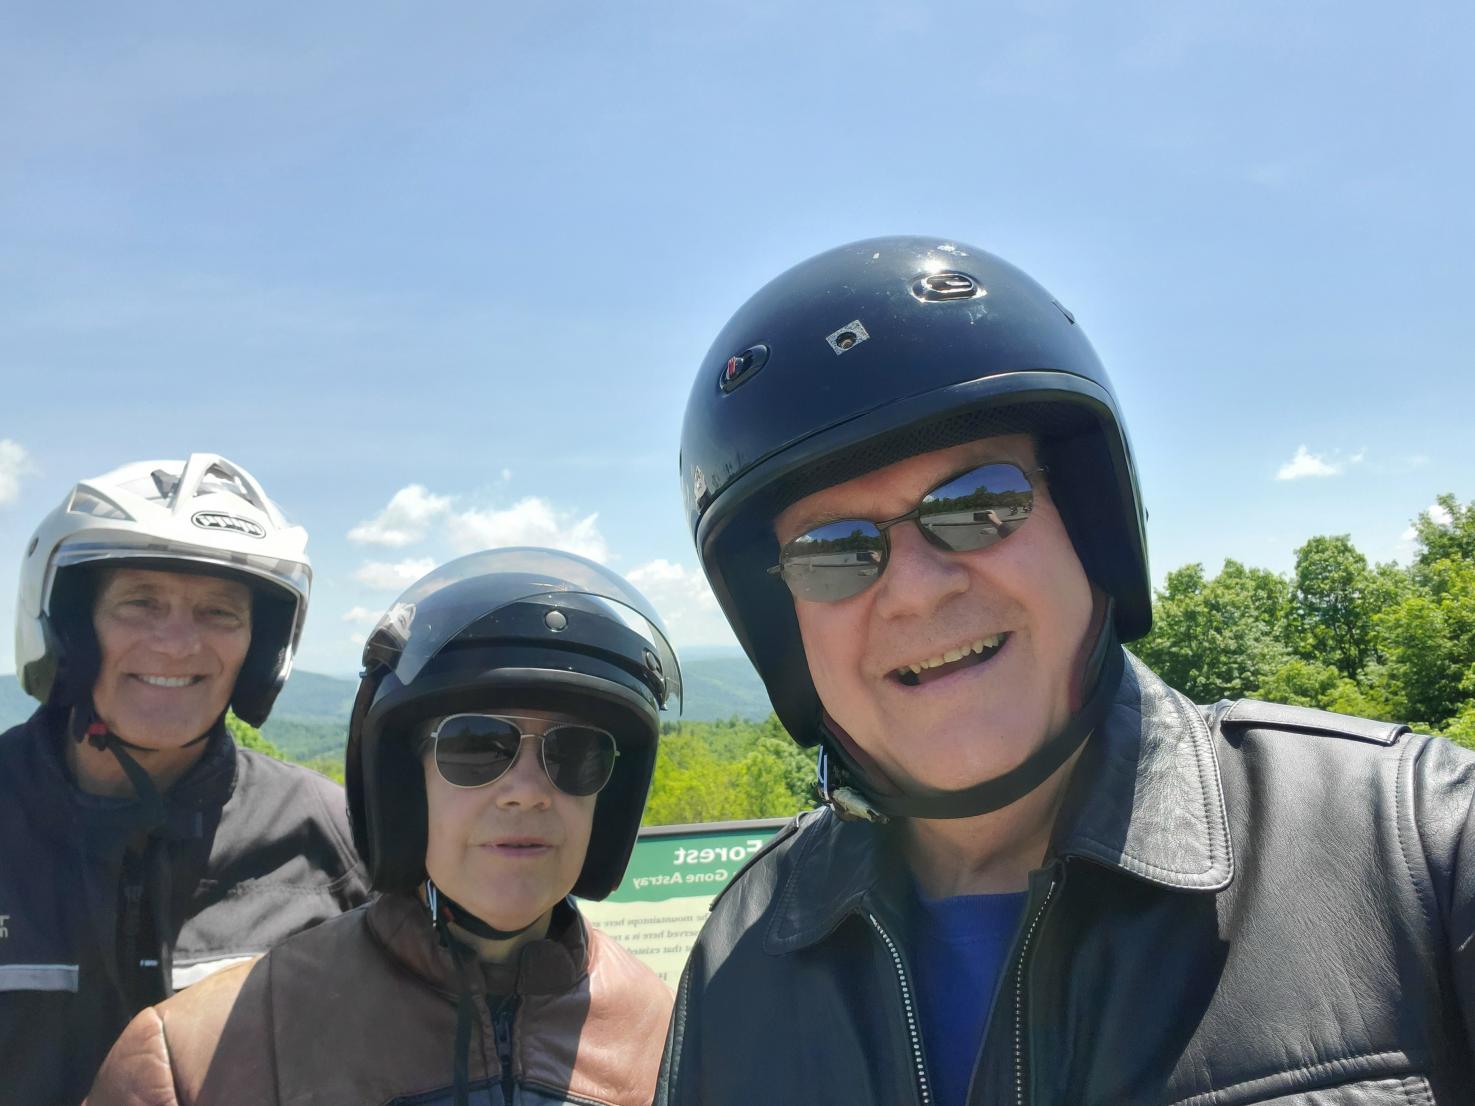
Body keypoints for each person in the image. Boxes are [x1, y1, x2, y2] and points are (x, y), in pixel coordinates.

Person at [658, 237, 1475, 1105]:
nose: (916, 590)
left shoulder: (1417, 844)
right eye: (831, 551)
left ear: (1089, 525)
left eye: (977, 502)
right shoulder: (739, 957)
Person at [88, 548, 678, 1106]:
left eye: (574, 754)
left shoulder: (668, 1034)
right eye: (475, 746)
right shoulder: (197, 1060)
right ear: (404, 787)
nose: (528, 792)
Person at [1, 453, 368, 1106]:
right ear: (70, 627)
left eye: (219, 612)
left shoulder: (330, 836)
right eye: (140, 603)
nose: (176, 644)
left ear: (260, 649)